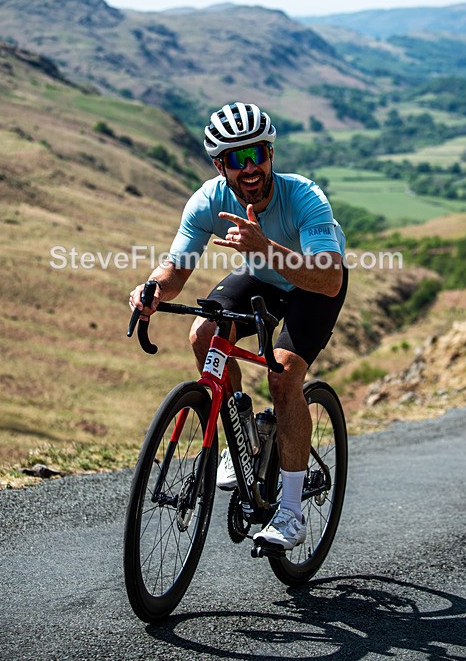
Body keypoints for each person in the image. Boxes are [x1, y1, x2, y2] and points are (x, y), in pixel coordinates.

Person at [129, 102, 347, 550]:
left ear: (271, 154)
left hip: (312, 284)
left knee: (283, 375)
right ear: (219, 165)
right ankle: (243, 440)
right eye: (236, 158)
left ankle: (290, 513)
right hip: (262, 277)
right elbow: (176, 270)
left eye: (256, 154)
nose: (249, 168)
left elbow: (329, 279)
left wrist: (264, 247)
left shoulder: (304, 196)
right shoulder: (208, 200)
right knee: (204, 334)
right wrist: (152, 290)